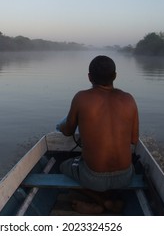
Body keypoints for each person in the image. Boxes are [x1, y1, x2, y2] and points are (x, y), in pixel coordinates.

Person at [57, 55, 139, 214]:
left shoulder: (81, 97)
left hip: (93, 178)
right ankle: (112, 199)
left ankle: (102, 202)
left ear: (89, 77)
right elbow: (134, 139)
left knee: (62, 166)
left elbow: (68, 131)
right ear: (115, 76)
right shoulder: (129, 99)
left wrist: (61, 127)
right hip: (126, 176)